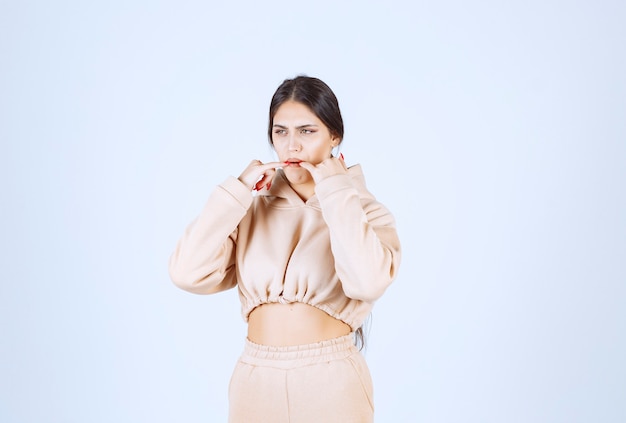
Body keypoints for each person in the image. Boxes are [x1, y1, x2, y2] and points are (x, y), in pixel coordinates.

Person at [169, 75, 401, 423]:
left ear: (334, 136)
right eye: (281, 131)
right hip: (255, 380)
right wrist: (236, 192)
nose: (292, 146)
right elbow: (186, 273)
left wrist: (336, 191)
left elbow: (368, 284)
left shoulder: (364, 210)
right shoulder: (251, 207)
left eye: (307, 131)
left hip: (332, 382)